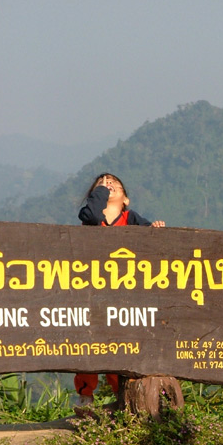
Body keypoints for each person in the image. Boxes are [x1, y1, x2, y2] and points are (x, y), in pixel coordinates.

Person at [75, 173, 165, 409]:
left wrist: (155, 230)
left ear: (126, 199)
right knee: (90, 345)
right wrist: (101, 193)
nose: (108, 184)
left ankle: (121, 396)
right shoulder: (89, 216)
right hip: (93, 294)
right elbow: (94, 215)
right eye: (102, 184)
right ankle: (86, 397)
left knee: (120, 344)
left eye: (114, 184)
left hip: (125, 297)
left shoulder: (132, 218)